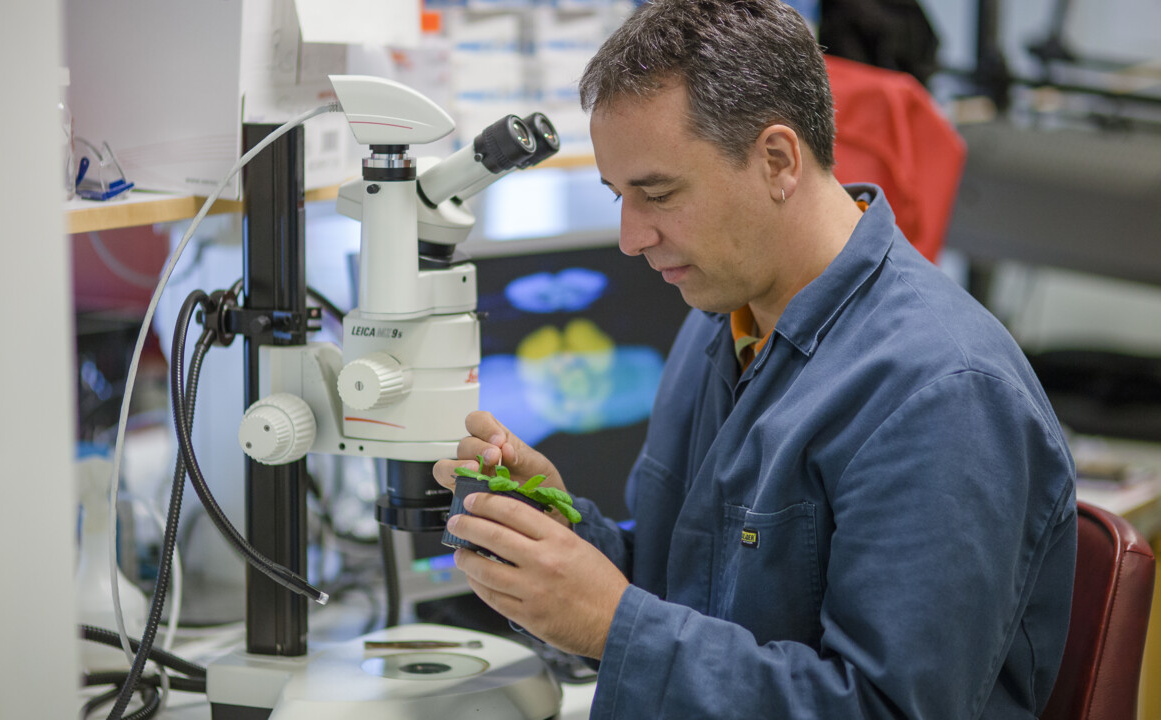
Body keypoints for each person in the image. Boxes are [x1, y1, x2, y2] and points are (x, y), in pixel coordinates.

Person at [432, 1, 1077, 717]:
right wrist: (559, 541)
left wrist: (617, 627)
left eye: (659, 194)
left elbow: (884, 708)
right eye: (619, 197)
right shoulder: (723, 322)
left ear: (777, 161)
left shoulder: (941, 393)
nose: (630, 237)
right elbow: (699, 592)